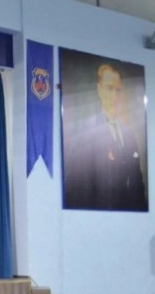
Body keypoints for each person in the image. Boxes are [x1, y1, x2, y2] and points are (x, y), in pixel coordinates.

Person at [63, 63, 147, 211]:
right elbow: (77, 189)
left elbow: (137, 185)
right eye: (109, 88)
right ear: (99, 89)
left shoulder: (129, 134)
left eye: (118, 90)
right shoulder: (86, 132)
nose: (114, 96)